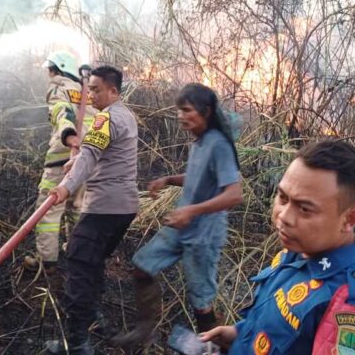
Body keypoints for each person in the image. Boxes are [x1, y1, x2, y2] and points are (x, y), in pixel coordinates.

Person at [201, 140, 355, 354]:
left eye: (305, 209)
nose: (284, 217)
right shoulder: (305, 246)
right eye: (283, 198)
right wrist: (240, 336)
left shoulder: (351, 307)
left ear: (349, 220)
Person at [110, 83, 243, 351]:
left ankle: (223, 348)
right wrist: (169, 179)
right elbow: (200, 177)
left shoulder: (219, 144)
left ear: (205, 111)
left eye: (186, 110)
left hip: (203, 236)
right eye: (178, 110)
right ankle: (144, 332)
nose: (180, 116)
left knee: (201, 302)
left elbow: (234, 194)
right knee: (142, 267)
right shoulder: (200, 141)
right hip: (181, 227)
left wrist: (190, 211)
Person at [44, 65, 139, 355]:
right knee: (94, 261)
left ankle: (77, 343)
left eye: (96, 89)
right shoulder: (127, 116)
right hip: (125, 208)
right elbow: (103, 154)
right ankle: (93, 317)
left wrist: (65, 187)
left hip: (104, 207)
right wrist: (78, 162)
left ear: (113, 90)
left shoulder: (105, 118)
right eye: (90, 88)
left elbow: (90, 154)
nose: (91, 94)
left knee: (79, 264)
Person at [23, 51, 96, 275]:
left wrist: (68, 134)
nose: (49, 74)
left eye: (51, 70)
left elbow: (60, 112)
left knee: (49, 209)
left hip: (62, 158)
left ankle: (46, 260)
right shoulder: (88, 93)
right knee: (77, 206)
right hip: (87, 160)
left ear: (61, 70)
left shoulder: (59, 87)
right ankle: (75, 250)